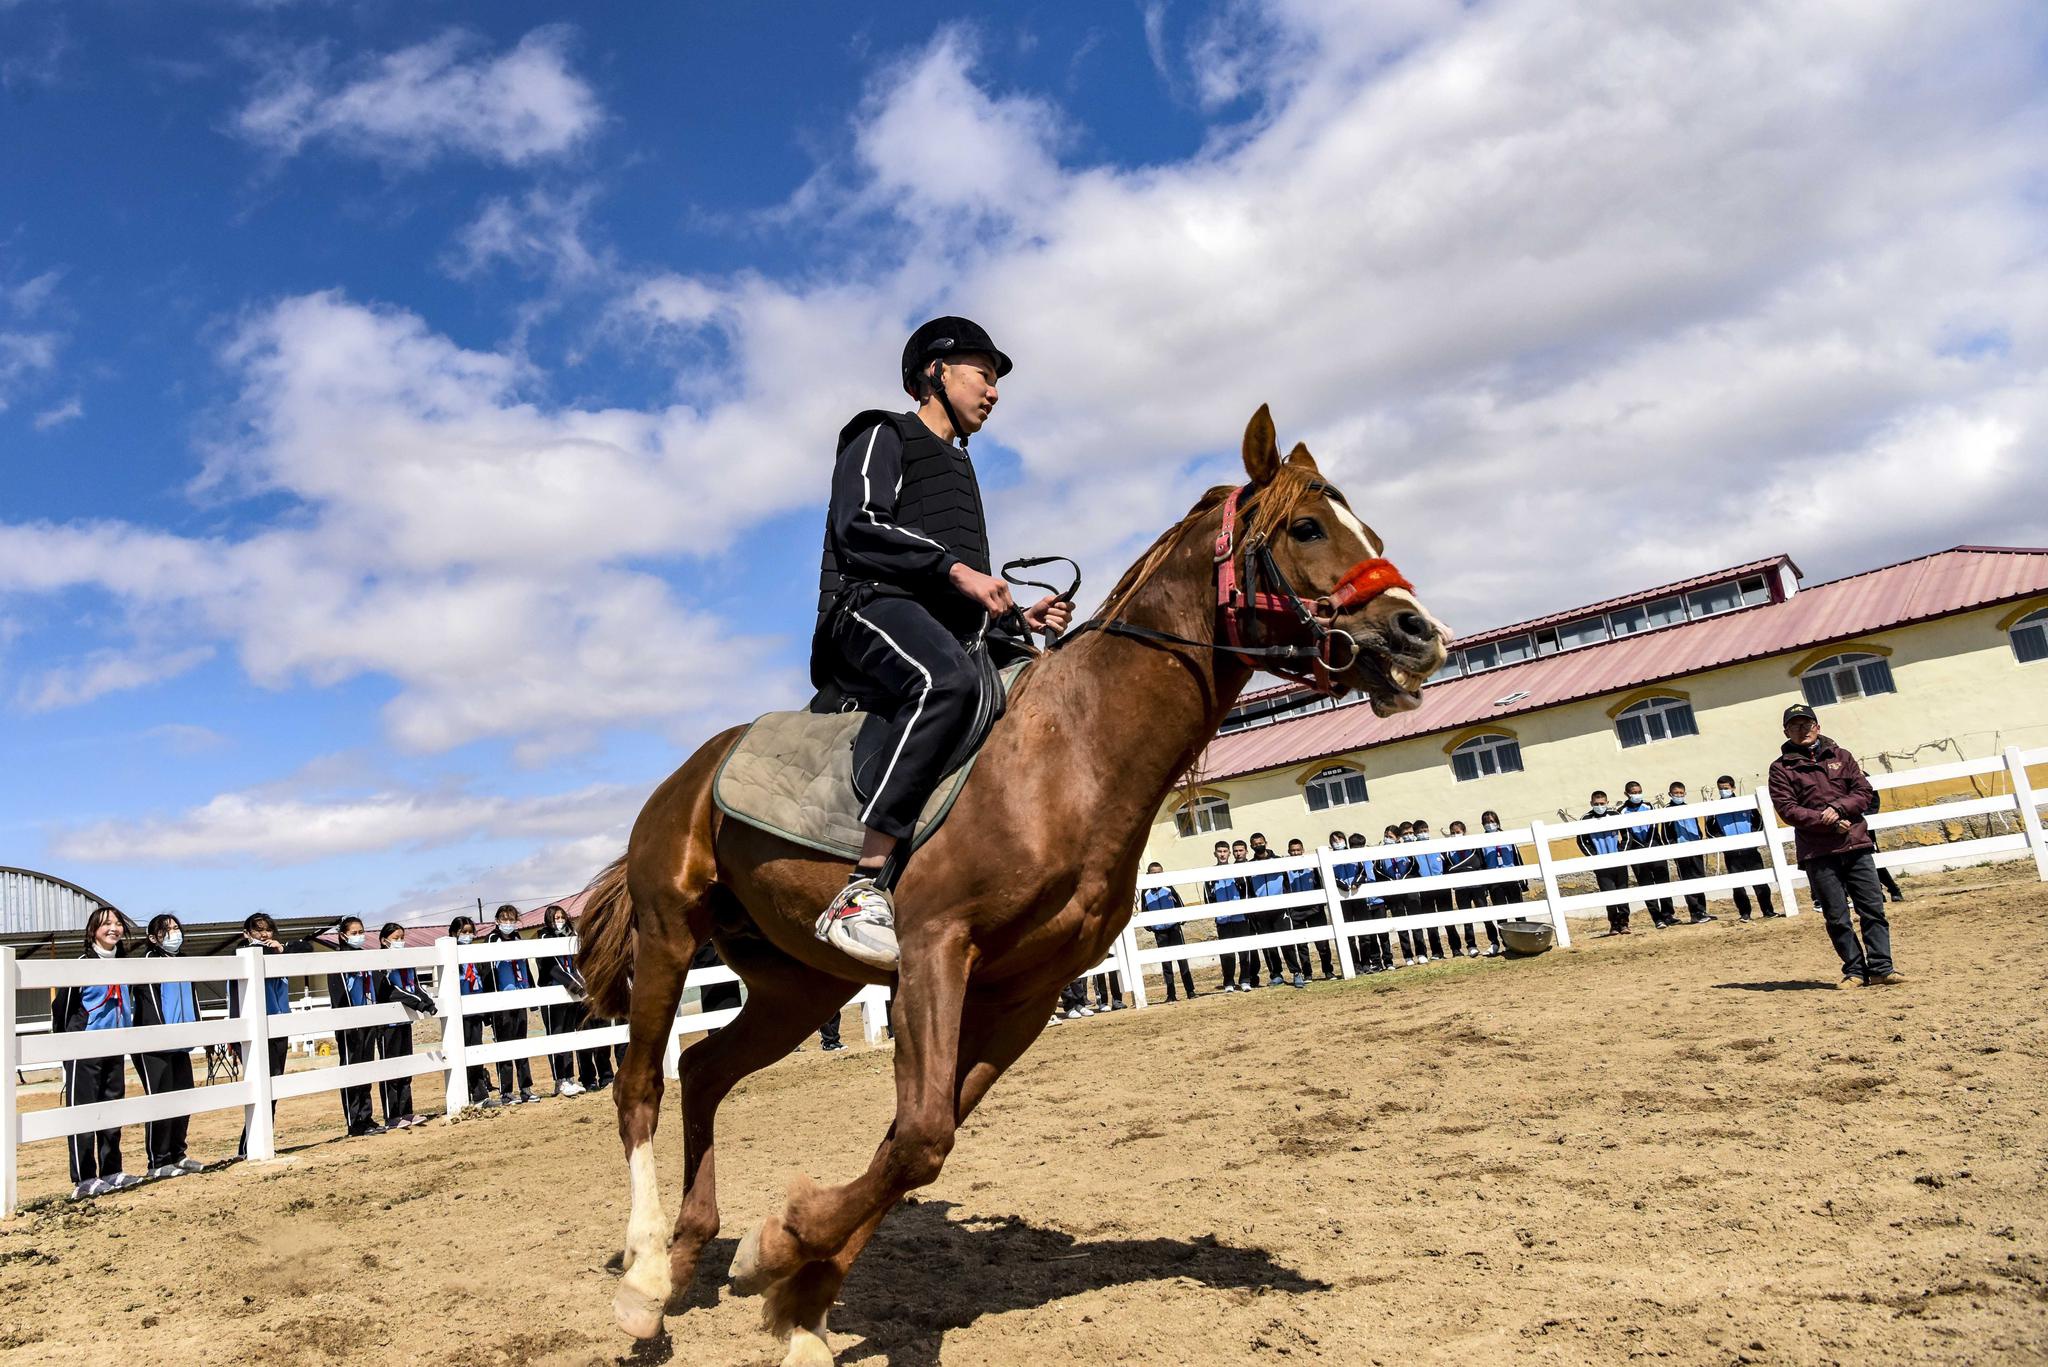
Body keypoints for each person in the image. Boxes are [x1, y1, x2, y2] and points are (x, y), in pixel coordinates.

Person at [809, 317, 1072, 971]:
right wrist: (958, 572)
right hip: (865, 608)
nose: (994, 390)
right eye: (982, 373)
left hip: (939, 622)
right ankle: (862, 886)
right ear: (934, 372)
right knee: (947, 681)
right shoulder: (883, 433)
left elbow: (957, 586)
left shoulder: (961, 466)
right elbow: (858, 523)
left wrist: (1020, 621)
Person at [1768, 703, 1905, 989]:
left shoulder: (1842, 756)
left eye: (1806, 724)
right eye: (1795, 725)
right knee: (1837, 916)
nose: (1802, 729)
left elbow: (1863, 792)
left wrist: (1839, 809)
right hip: (1818, 852)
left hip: (1855, 843)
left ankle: (1882, 967)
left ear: (1817, 726)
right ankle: (1855, 971)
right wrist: (1826, 821)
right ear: (1786, 731)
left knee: (1873, 908)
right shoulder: (1781, 769)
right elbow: (1787, 809)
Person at [55, 906, 140, 1198]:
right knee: (84, 1112)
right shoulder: (81, 964)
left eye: (118, 923)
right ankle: (84, 1177)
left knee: (112, 1107)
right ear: (93, 930)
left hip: (115, 1045)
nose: (113, 928)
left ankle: (112, 1170)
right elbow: (63, 1009)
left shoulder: (125, 963)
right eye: (106, 924)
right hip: (85, 1048)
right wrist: (69, 1044)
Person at [133, 913, 205, 1179]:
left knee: (184, 1096)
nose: (174, 933)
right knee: (160, 1099)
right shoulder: (149, 962)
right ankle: (158, 1161)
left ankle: (178, 1154)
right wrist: (162, 1035)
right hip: (155, 1045)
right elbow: (149, 1002)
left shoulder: (184, 961)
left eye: (176, 928)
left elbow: (193, 995)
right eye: (167, 930)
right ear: (153, 938)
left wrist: (196, 1029)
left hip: (182, 1042)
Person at [230, 912, 294, 1156]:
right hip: (253, 1029)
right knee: (258, 1088)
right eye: (258, 930)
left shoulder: (278, 955)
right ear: (247, 934)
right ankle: (248, 1145)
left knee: (273, 1086)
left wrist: (281, 952)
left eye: (268, 930)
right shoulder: (240, 955)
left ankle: (260, 1140)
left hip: (278, 1026)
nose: (264, 934)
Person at [327, 916, 385, 1137]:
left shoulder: (366, 957)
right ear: (343, 935)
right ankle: (354, 1121)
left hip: (368, 1019)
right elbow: (338, 994)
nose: (359, 936)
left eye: (361, 931)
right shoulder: (337, 961)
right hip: (349, 1023)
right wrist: (346, 1022)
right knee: (352, 1069)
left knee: (366, 1068)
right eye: (354, 932)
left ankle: (366, 1115)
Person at [371, 922, 432, 1128]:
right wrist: (418, 1002)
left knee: (405, 1067)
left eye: (401, 938)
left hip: (404, 1019)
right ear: (384, 940)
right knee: (391, 1067)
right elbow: (391, 991)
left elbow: (414, 986)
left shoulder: (406, 961)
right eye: (396, 938)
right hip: (387, 1023)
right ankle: (392, 1115)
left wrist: (427, 1000)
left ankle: (407, 1111)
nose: (400, 942)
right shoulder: (381, 963)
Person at [1705, 776, 1779, 921]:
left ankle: (1768, 910)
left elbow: (1758, 823)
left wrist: (1752, 839)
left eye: (1726, 788)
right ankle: (1744, 913)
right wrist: (1724, 842)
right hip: (1731, 853)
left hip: (1750, 850)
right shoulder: (1714, 808)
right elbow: (1710, 830)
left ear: (1733, 788)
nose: (1723, 791)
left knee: (1760, 881)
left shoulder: (1747, 804)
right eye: (1720, 789)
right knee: (1738, 885)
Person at [534, 905, 589, 1097]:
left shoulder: (570, 935)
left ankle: (570, 1077)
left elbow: (576, 961)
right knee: (556, 1035)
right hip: (553, 990)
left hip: (571, 992)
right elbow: (552, 967)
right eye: (556, 917)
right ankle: (560, 1080)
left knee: (568, 1034)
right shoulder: (543, 936)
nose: (560, 920)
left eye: (562, 917)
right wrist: (576, 985)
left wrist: (581, 984)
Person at [486, 906, 539, 1103]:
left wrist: (531, 993)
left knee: (521, 1044)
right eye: (504, 919)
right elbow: (489, 970)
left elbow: (526, 965)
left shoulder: (518, 939)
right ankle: (506, 1091)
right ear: (497, 920)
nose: (508, 923)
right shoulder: (493, 939)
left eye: (512, 919)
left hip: (521, 995)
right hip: (503, 999)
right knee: (505, 1045)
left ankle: (526, 1087)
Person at [448, 915, 499, 1108]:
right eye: (463, 932)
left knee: (476, 1049)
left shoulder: (476, 956)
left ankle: (479, 1093)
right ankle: (470, 1092)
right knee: (463, 1052)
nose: (468, 936)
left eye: (471, 932)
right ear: (454, 933)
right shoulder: (452, 956)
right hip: (460, 1012)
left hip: (476, 1009)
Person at [1244, 834, 1299, 988]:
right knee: (1269, 945)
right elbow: (1249, 888)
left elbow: (1287, 883)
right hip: (1261, 910)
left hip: (1280, 908)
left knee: (1287, 942)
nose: (1258, 846)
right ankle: (1276, 974)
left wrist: (1288, 901)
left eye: (1260, 843)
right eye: (1255, 844)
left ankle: (1296, 972)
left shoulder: (1278, 861)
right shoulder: (1249, 866)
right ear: (1251, 846)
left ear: (1266, 843)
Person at [1618, 782, 1675, 927]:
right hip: (1636, 852)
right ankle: (1657, 918)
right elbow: (1626, 834)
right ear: (1627, 794)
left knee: (1663, 881)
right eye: (1634, 792)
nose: (1637, 795)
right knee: (1646, 884)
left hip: (1654, 847)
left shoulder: (1649, 807)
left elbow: (1654, 827)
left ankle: (1668, 914)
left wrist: (1649, 845)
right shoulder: (1621, 811)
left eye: (1639, 791)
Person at [1139, 864, 1197, 1002]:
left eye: (1159, 872)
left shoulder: (1169, 888)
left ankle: (1190, 991)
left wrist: (1180, 921)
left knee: (1182, 960)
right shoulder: (1146, 892)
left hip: (1174, 929)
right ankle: (1171, 994)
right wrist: (1151, 927)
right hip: (1160, 932)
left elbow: (1179, 905)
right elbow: (1144, 910)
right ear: (1148, 874)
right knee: (1166, 964)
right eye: (1153, 873)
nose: (1156, 875)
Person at [1663, 782, 1717, 924]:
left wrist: (1699, 841)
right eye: (1676, 793)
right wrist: (1674, 847)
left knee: (1699, 878)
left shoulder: (1689, 808)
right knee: (1688, 880)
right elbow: (1666, 834)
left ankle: (1702, 910)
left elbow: (1697, 828)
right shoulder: (1666, 810)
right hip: (1681, 850)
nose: (1679, 795)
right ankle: (1694, 912)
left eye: (1681, 793)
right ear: (1670, 794)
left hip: (1696, 848)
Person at [1578, 790, 1632, 934]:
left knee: (1622, 892)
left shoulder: (1615, 815)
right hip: (1601, 865)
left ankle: (1624, 922)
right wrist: (1595, 857)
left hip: (1618, 862)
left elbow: (1627, 834)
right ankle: (1614, 924)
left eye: (1602, 803)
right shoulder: (1586, 819)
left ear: (1607, 803)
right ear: (1591, 803)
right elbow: (1582, 841)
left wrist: (1621, 851)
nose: (1599, 806)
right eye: (1596, 804)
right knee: (1608, 894)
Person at [1284, 837, 1335, 981]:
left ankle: (1328, 971)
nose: (1295, 853)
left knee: (1322, 943)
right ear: (1289, 852)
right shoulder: (1285, 869)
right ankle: (1307, 973)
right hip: (1296, 911)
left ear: (1303, 850)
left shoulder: (1312, 866)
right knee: (1302, 944)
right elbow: (1285, 889)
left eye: (1297, 850)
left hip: (1314, 909)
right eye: (1292, 850)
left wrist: (1320, 905)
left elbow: (1320, 884)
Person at [1203, 841, 1249, 992]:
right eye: (1219, 851)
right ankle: (1228, 981)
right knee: (1227, 952)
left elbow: (1245, 892)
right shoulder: (1210, 875)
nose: (1222, 854)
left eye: (1225, 851)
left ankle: (1245, 979)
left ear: (1229, 853)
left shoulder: (1237, 870)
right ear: (1215, 853)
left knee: (1244, 950)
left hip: (1240, 917)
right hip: (1223, 920)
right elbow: (1208, 898)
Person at [1442, 822, 1491, 958]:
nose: (1455, 834)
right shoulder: (1448, 852)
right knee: (1466, 917)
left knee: (1485, 913)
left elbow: (1479, 863)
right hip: (1461, 888)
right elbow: (1448, 869)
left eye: (1457, 832)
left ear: (1463, 831)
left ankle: (1493, 941)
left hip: (1477, 886)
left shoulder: (1473, 847)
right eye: (1452, 832)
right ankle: (1471, 945)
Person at [1378, 824, 1421, 965]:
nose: (1387, 839)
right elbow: (1378, 871)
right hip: (1393, 892)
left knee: (1415, 921)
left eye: (1390, 837)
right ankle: (1407, 955)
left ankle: (1421, 952)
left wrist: (1405, 879)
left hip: (1409, 889)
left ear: (1397, 838)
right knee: (1401, 924)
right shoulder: (1379, 854)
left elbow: (1414, 867)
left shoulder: (1406, 850)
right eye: (1386, 836)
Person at [1408, 820, 1449, 961]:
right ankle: (1437, 951)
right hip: (1425, 890)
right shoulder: (1413, 851)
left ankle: (1456, 949)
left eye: (1425, 830)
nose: (1423, 833)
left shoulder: (1437, 846)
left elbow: (1446, 865)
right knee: (1431, 923)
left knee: (1448, 918)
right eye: (1419, 831)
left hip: (1442, 888)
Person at [1478, 809, 1523, 933]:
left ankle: (1524, 935)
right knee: (1501, 912)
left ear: (1497, 822)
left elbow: (1517, 857)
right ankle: (1506, 940)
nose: (1489, 824)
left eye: (1492, 821)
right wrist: (1485, 885)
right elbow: (1482, 863)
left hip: (1511, 877)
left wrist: (1522, 880)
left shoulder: (1507, 837)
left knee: (1518, 909)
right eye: (1486, 822)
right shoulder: (1481, 842)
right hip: (1494, 880)